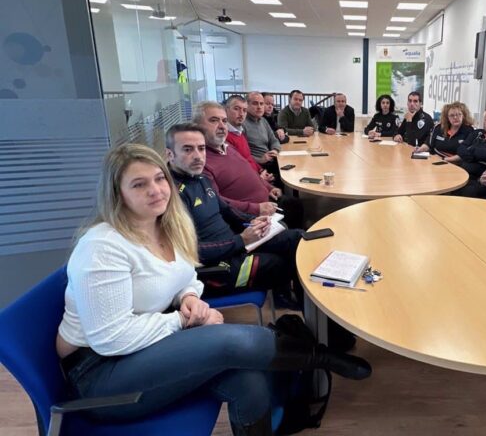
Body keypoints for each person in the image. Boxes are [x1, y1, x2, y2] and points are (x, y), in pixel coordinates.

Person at [56, 143, 371, 436]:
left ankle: (311, 363)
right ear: (117, 195)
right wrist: (184, 320)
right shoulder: (102, 247)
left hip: (146, 348)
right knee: (231, 341)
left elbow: (185, 276)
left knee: (248, 378)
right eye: (139, 184)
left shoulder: (164, 225)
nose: (155, 190)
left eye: (159, 179)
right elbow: (111, 339)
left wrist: (189, 296)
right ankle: (321, 358)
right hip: (102, 374)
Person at [166, 123, 302, 302]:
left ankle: (302, 306)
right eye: (187, 149)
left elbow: (228, 211)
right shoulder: (171, 195)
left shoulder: (201, 179)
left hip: (236, 245)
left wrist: (254, 220)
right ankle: (292, 304)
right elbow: (190, 252)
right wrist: (242, 240)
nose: (198, 156)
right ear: (170, 154)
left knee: (297, 238)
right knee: (282, 264)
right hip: (218, 269)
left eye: (201, 148)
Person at [193, 101, 304, 229]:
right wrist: (257, 208)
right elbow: (218, 202)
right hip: (250, 216)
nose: (222, 126)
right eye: (214, 120)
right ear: (197, 127)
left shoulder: (227, 147)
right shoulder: (201, 163)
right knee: (291, 229)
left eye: (224, 121)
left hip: (267, 200)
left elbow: (249, 171)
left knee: (295, 205)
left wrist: (269, 187)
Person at [224, 94, 275, 184]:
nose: (241, 114)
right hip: (251, 181)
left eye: (244, 110)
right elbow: (239, 167)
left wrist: (261, 170)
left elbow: (248, 158)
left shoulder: (239, 132)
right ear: (225, 110)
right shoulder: (225, 137)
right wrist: (259, 178)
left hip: (258, 173)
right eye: (236, 109)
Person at [245, 91, 282, 180]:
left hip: (271, 160)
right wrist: (260, 160)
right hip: (258, 166)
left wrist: (275, 150)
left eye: (261, 104)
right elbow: (242, 155)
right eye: (255, 103)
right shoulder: (243, 124)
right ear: (246, 105)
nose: (259, 107)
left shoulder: (263, 121)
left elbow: (274, 140)